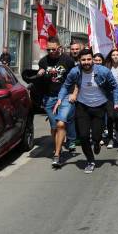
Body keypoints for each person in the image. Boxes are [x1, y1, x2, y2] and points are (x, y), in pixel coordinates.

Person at [55, 49, 118, 173]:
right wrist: (60, 98)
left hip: (99, 107)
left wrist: (116, 103)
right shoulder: (75, 72)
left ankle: (96, 143)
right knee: (84, 136)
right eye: (83, 60)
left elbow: (115, 88)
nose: (86, 62)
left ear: (92, 60)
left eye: (88, 59)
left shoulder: (103, 71)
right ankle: (90, 161)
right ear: (79, 61)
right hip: (82, 107)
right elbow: (65, 85)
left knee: (96, 136)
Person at [37, 37, 77, 166]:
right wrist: (40, 74)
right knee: (54, 126)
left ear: (59, 48)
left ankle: (57, 154)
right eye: (48, 49)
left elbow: (76, 79)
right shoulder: (43, 61)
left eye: (53, 49)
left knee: (61, 124)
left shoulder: (68, 61)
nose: (51, 51)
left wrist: (74, 93)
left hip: (65, 95)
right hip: (49, 97)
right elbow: (40, 83)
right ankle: (58, 145)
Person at [104, 49, 118, 148]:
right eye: (113, 55)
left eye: (117, 55)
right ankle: (110, 138)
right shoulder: (107, 68)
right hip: (109, 97)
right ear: (110, 56)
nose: (115, 56)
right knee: (110, 117)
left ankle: (117, 131)